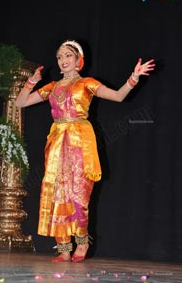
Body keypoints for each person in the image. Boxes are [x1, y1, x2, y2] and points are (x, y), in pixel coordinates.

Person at [15, 40, 155, 263]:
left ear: (79, 60)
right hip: (57, 141)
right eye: (60, 56)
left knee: (78, 193)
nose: (63, 60)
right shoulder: (51, 87)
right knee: (56, 192)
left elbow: (119, 96)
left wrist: (134, 77)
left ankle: (82, 240)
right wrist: (31, 82)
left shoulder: (87, 83)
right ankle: (63, 247)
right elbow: (21, 103)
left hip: (80, 140)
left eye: (68, 55)